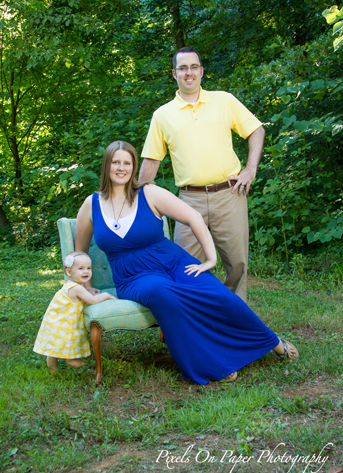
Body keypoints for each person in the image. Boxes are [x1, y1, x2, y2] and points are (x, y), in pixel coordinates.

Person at [75, 140, 297, 385]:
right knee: (163, 294)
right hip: (134, 277)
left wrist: (210, 257)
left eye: (127, 163)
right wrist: (84, 286)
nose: (121, 168)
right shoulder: (91, 204)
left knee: (218, 293)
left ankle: (270, 341)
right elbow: (79, 253)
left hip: (173, 262)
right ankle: (211, 363)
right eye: (116, 162)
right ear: (107, 165)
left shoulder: (148, 193)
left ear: (133, 166)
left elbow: (193, 216)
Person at [138, 47, 265, 302]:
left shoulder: (224, 100)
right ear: (174, 73)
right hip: (188, 201)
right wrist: (134, 199)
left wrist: (250, 169)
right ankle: (195, 324)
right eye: (183, 68)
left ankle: (234, 322)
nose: (189, 72)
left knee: (237, 263)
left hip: (230, 194)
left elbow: (256, 129)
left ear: (201, 71)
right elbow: (151, 161)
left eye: (194, 67)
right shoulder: (162, 115)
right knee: (184, 266)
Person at [33, 251, 115, 373]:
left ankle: (53, 371)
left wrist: (88, 288)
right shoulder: (77, 288)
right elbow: (92, 300)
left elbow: (84, 293)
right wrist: (106, 295)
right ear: (69, 272)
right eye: (81, 268)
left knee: (52, 349)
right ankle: (71, 359)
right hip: (67, 324)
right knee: (72, 338)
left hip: (54, 322)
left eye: (88, 268)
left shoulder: (70, 285)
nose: (86, 271)